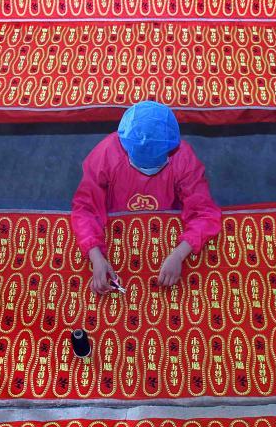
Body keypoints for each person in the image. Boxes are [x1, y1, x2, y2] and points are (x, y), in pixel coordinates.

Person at [72, 101, 222, 293]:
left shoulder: (183, 158)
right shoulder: (105, 154)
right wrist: (96, 256)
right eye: (142, 163)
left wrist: (179, 254)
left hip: (166, 220)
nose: (149, 171)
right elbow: (85, 207)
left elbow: (204, 213)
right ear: (126, 148)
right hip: (116, 217)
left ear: (170, 148)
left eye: (156, 163)